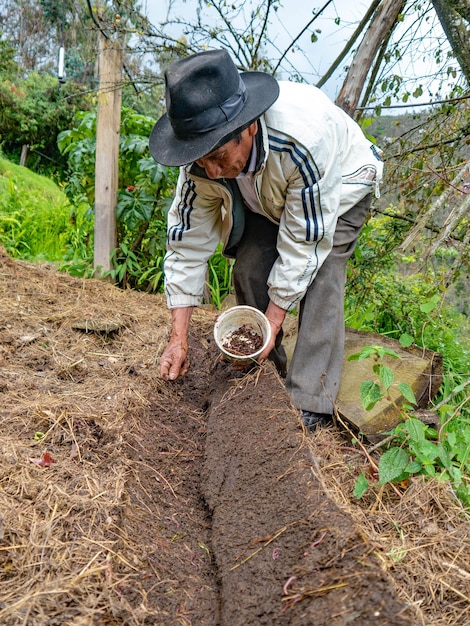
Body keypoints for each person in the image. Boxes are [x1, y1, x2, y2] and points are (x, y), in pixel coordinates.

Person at [149, 49, 383, 430]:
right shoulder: (202, 162)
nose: (212, 170)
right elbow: (186, 241)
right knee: (250, 267)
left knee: (321, 276)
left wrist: (272, 322)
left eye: (219, 156)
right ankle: (266, 372)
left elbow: (305, 243)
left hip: (339, 186)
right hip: (266, 195)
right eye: (203, 159)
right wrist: (178, 338)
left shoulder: (304, 139)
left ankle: (311, 400)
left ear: (250, 127)